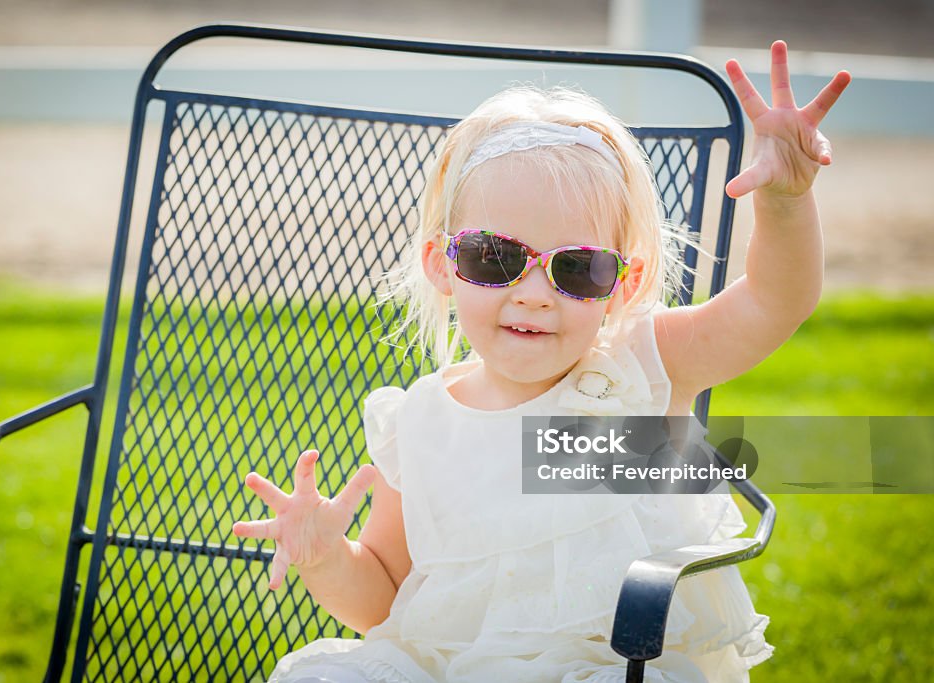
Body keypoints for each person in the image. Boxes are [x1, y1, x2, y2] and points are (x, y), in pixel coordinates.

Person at [233, 41, 851, 682]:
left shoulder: (642, 364)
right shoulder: (420, 423)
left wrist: (784, 201)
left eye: (577, 268)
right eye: (494, 257)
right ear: (443, 265)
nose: (532, 293)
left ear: (625, 284)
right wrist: (328, 556)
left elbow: (774, 303)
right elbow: (384, 605)